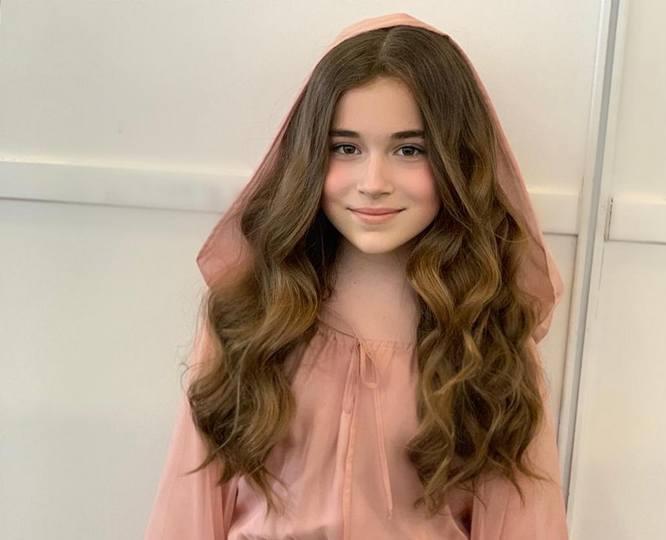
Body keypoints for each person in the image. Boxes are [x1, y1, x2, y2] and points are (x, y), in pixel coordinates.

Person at [144, 12, 567, 540]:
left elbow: (524, 523)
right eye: (346, 148)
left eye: (409, 150)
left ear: (456, 161)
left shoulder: (489, 334)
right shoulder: (252, 313)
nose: (373, 182)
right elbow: (189, 506)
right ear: (310, 156)